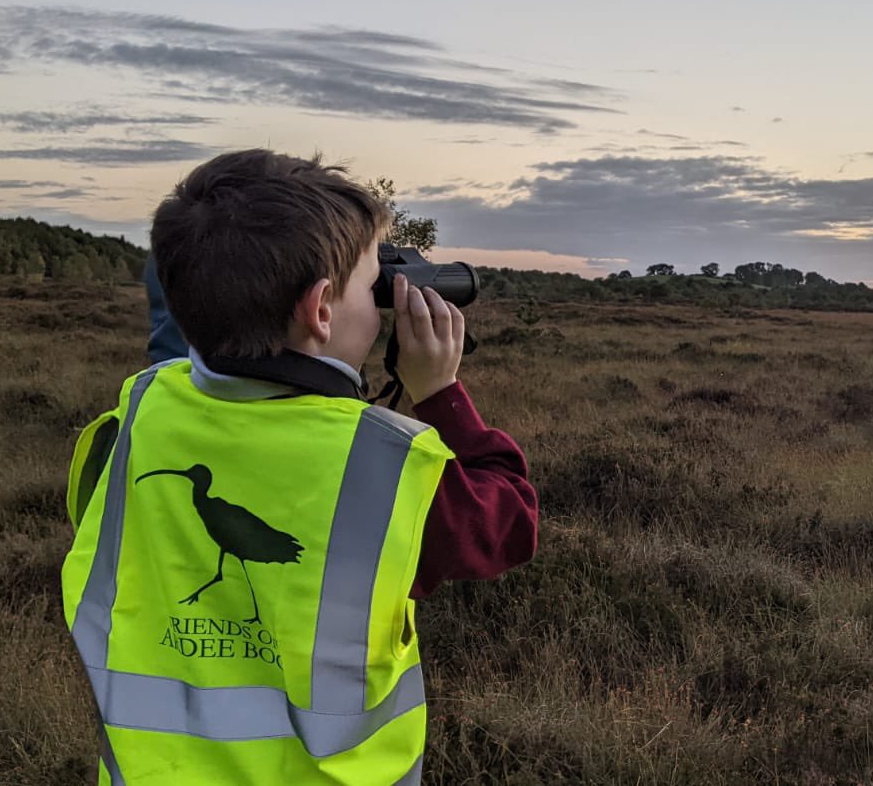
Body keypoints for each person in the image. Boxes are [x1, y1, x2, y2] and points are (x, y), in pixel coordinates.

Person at [61, 149, 538, 785]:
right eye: (373, 285)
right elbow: (508, 525)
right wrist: (439, 394)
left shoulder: (134, 415)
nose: (381, 302)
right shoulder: (383, 464)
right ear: (321, 310)